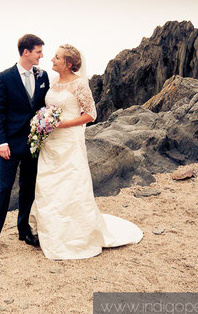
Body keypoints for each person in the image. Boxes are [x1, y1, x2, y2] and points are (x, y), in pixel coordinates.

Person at [29, 44, 143, 260]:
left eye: (57, 57)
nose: (52, 60)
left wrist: (65, 124)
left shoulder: (79, 84)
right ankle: (51, 233)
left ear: (69, 63)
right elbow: (49, 109)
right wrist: (43, 121)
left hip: (69, 141)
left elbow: (91, 114)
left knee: (71, 185)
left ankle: (75, 235)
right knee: (48, 185)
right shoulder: (53, 82)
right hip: (51, 143)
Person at [0, 34, 50, 257]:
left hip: (33, 144)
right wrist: (1, 142)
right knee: (3, 190)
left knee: (28, 189)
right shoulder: (5, 78)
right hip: (9, 145)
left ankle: (24, 230)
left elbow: (43, 108)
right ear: (26, 52)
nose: (42, 55)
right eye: (38, 51)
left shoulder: (43, 76)